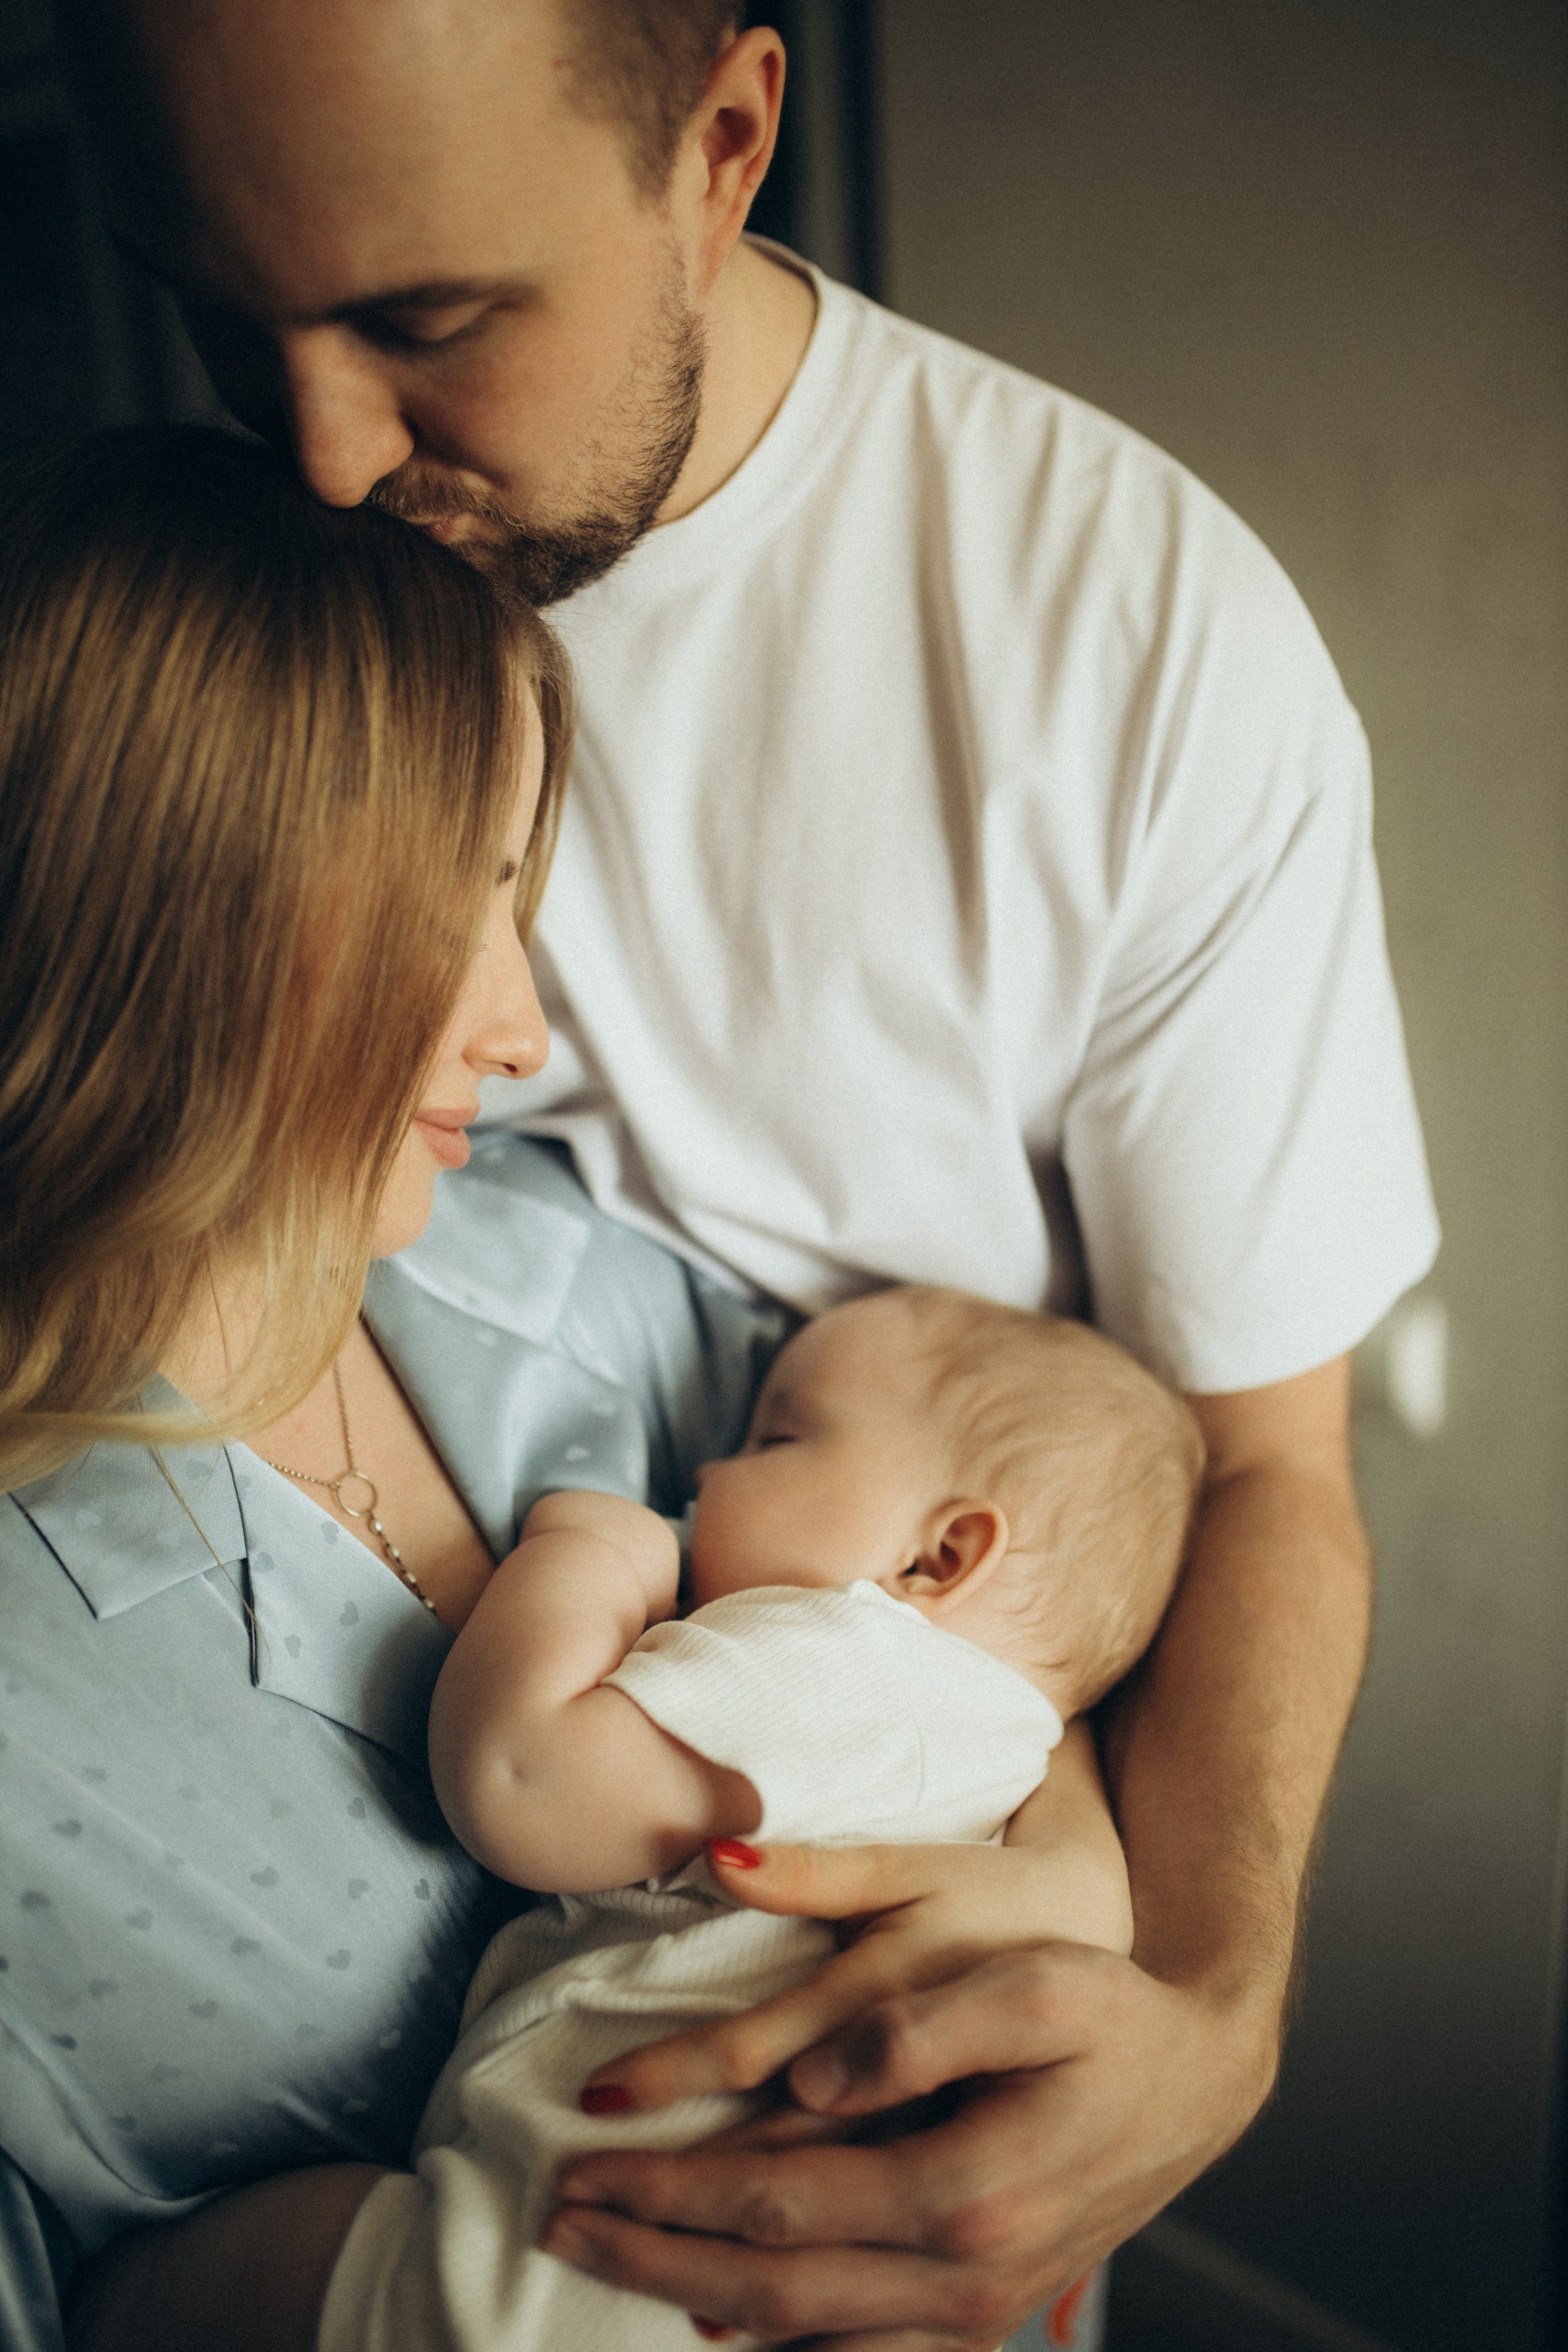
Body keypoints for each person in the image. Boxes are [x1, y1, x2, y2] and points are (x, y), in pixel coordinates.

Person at [56, 2, 1442, 2343]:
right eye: (222, 314)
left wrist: (1189, 2004)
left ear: (719, 146)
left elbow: (1262, 1465)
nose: (313, 451)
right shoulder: (244, 617)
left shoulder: (1136, 660)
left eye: (426, 320)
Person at [0, 423, 1122, 2352]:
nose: (519, 1031)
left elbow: (975, 1605)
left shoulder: (569, 1259)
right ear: (185, 914)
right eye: (457, 904)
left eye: (522, 892)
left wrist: (1070, 1885)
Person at [321, 1289, 1204, 2352]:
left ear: (939, 1559)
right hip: (729, 2292)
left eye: (779, 1437)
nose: (709, 1472)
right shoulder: (1015, 1756)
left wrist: (595, 1558)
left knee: (178, 2280)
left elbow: (520, 1780)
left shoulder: (848, 1660)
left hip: (562, 2263)